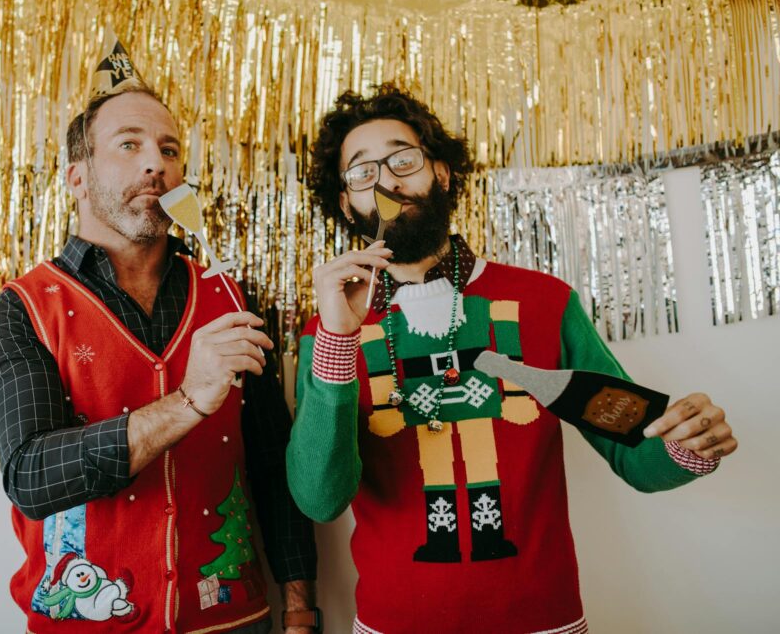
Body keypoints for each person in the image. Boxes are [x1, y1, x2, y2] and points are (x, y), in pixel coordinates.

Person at [285, 84, 737, 633]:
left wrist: (689, 445)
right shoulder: (328, 333)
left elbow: (635, 455)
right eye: (362, 172)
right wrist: (336, 338)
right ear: (346, 203)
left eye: (403, 159)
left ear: (443, 173)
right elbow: (319, 498)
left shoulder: (545, 303)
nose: (386, 180)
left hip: (542, 621)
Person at [0, 37, 318, 634]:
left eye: (169, 149)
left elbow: (272, 464)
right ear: (77, 178)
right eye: (129, 145)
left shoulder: (233, 300)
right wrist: (187, 402)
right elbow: (31, 476)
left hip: (235, 620)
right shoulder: (23, 309)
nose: (154, 164)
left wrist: (299, 607)